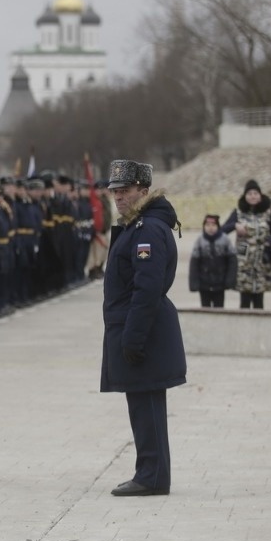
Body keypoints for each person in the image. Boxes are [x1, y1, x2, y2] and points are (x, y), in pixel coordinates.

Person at [101, 160, 186, 497]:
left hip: (143, 331)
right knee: (142, 403)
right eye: (115, 191)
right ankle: (150, 472)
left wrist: (133, 337)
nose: (119, 197)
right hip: (136, 327)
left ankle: (151, 476)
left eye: (125, 190)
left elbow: (147, 288)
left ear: (144, 191)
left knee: (146, 403)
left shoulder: (147, 229)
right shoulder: (137, 226)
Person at [222, 180, 271, 309]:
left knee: (259, 299)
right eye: (250, 194)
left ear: (260, 195)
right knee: (245, 298)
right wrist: (235, 225)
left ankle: (259, 321)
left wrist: (270, 242)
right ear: (245, 196)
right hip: (244, 261)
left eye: (255, 193)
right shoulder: (238, 212)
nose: (253, 196)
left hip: (261, 260)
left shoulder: (268, 212)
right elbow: (223, 230)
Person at [188, 214, 237, 308]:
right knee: (205, 308)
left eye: (213, 225)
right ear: (204, 227)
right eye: (207, 225)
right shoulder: (200, 240)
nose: (210, 228)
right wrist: (194, 283)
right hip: (204, 283)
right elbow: (194, 264)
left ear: (218, 226)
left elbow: (232, 261)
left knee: (219, 308)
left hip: (220, 283)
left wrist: (230, 280)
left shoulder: (225, 240)